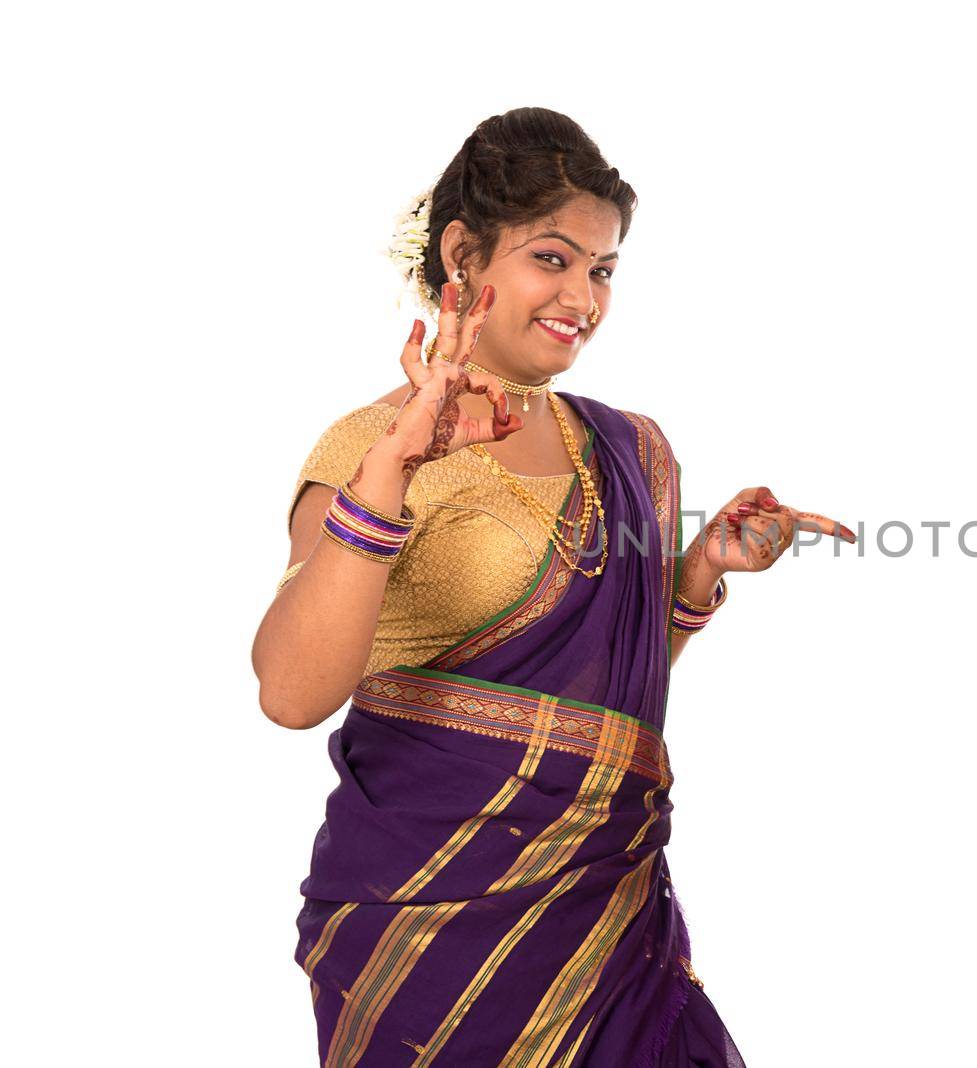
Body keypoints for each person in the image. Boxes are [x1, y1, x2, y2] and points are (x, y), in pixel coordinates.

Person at [251, 107, 854, 1067]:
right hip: (433, 933)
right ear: (462, 254)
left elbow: (607, 698)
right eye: (553, 258)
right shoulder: (368, 451)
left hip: (605, 917)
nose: (584, 295)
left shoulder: (632, 449)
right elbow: (289, 694)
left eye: (603, 269)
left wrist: (694, 579)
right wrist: (395, 464)